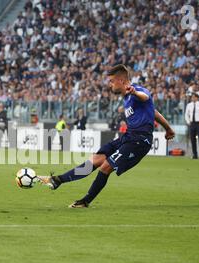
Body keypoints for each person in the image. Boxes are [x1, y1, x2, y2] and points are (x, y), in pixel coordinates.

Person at [37, 64, 175, 208]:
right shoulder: (127, 98)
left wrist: (135, 92)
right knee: (95, 160)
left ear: (121, 80)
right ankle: (57, 180)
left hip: (140, 141)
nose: (110, 85)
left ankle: (85, 201)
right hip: (128, 136)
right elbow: (154, 112)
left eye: (111, 81)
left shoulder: (137, 91)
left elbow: (145, 97)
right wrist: (168, 129)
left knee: (105, 167)